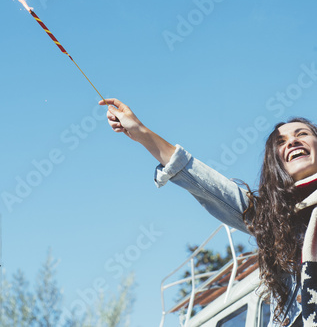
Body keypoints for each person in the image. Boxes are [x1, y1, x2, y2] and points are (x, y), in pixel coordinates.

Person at [99, 98, 317, 327]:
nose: (292, 142)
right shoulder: (272, 219)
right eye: (281, 142)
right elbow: (207, 183)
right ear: (276, 164)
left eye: (302, 134)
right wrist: (141, 132)